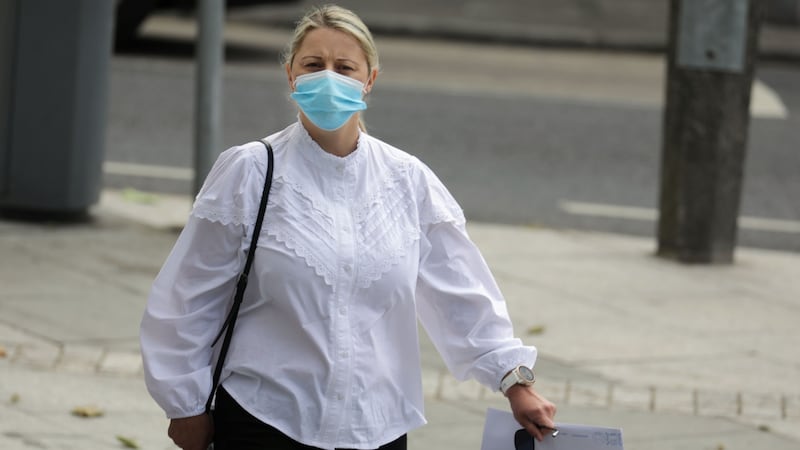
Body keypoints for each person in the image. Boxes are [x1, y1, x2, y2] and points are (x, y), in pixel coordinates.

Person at [140, 4, 556, 450]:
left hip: (376, 427)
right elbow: (188, 298)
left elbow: (461, 293)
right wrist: (185, 403)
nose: (329, 78)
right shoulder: (251, 172)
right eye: (313, 65)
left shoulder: (408, 180)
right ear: (291, 76)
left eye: (345, 67)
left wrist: (515, 381)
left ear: (369, 79)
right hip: (266, 420)